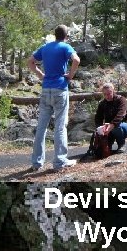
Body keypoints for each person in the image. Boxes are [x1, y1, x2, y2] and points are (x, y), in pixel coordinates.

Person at [27, 24, 81, 171]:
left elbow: (30, 61)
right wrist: (70, 75)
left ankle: (36, 163)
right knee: (60, 127)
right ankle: (59, 161)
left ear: (55, 34)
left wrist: (41, 75)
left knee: (41, 127)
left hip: (46, 89)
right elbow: (76, 60)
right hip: (60, 89)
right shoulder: (65, 47)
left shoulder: (45, 47)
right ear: (66, 36)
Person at [94, 83, 127, 153]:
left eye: (109, 93)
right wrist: (100, 128)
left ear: (113, 91)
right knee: (103, 149)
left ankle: (121, 144)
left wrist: (112, 125)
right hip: (109, 128)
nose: (107, 96)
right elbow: (98, 118)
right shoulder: (102, 104)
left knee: (116, 127)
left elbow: (121, 114)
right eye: (105, 94)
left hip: (124, 126)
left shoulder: (121, 100)